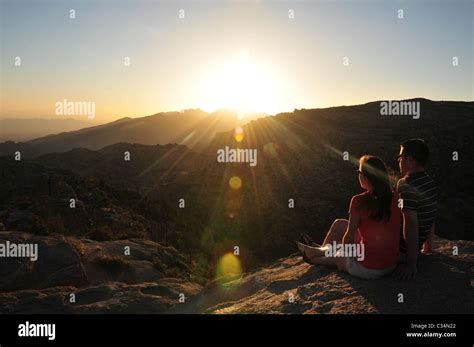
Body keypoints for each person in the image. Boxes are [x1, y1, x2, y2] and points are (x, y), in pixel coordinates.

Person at [298, 155, 400, 280]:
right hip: (391, 264)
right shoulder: (396, 197)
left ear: (364, 177)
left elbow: (350, 235)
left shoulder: (358, 201)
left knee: (339, 255)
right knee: (340, 223)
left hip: (370, 269)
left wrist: (344, 254)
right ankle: (317, 250)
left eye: (359, 171)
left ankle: (315, 258)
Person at [394, 138, 437, 280]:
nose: (398, 161)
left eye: (400, 157)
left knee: (341, 229)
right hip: (414, 248)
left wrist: (411, 263)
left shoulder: (405, 184)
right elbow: (430, 215)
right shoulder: (430, 183)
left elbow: (411, 224)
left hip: (397, 250)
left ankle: (322, 260)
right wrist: (428, 247)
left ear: (410, 159)